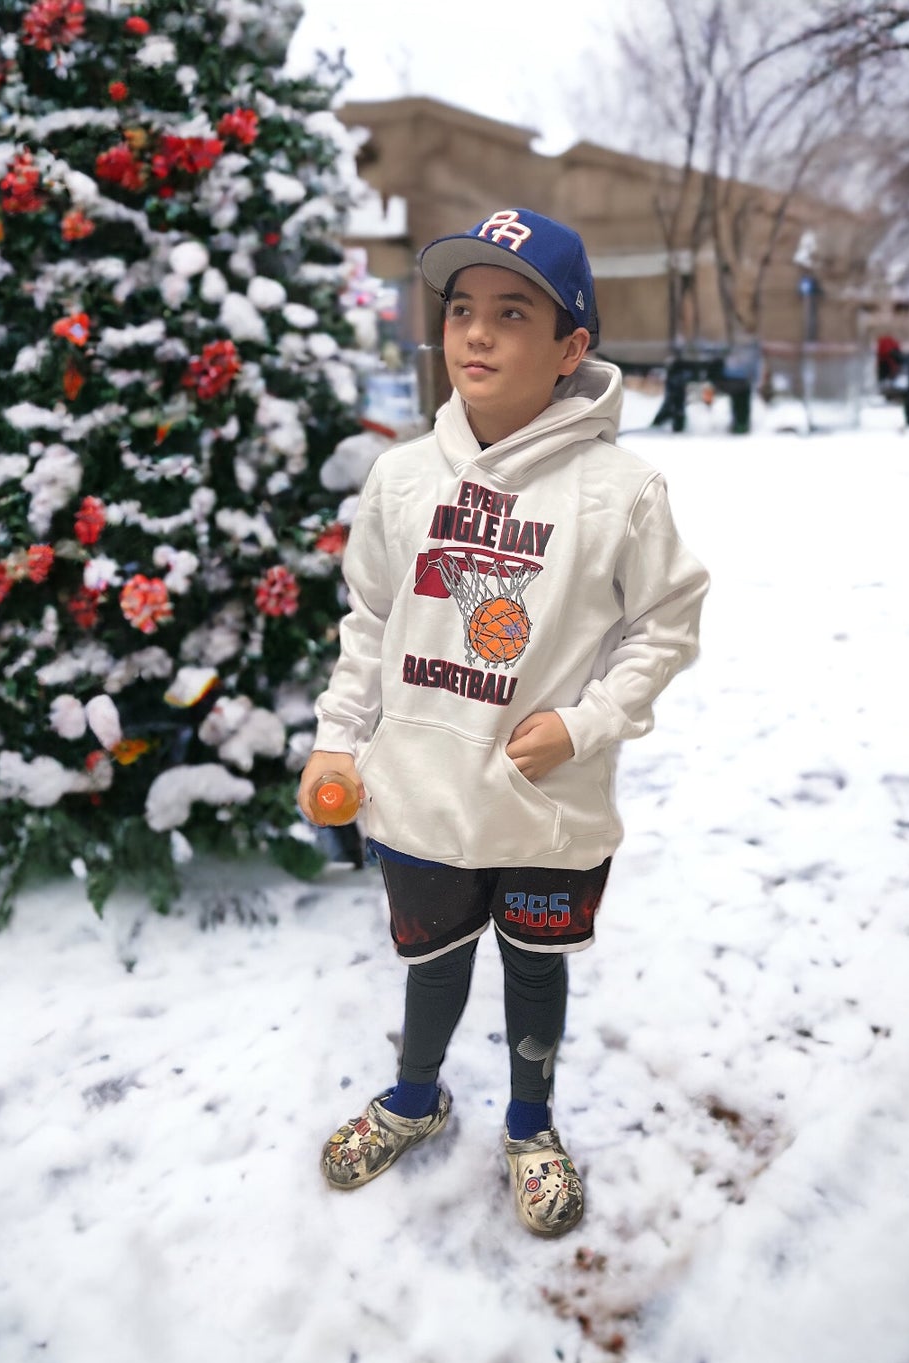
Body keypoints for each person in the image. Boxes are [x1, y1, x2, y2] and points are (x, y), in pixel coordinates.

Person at [297, 207, 709, 1238]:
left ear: (571, 347)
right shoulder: (400, 478)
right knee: (430, 959)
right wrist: (337, 739)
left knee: (532, 961)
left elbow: (665, 625)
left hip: (541, 803)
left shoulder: (619, 492)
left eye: (511, 314)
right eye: (461, 310)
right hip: (422, 792)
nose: (474, 334)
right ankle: (415, 1094)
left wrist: (586, 722)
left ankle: (530, 1121)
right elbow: (371, 623)